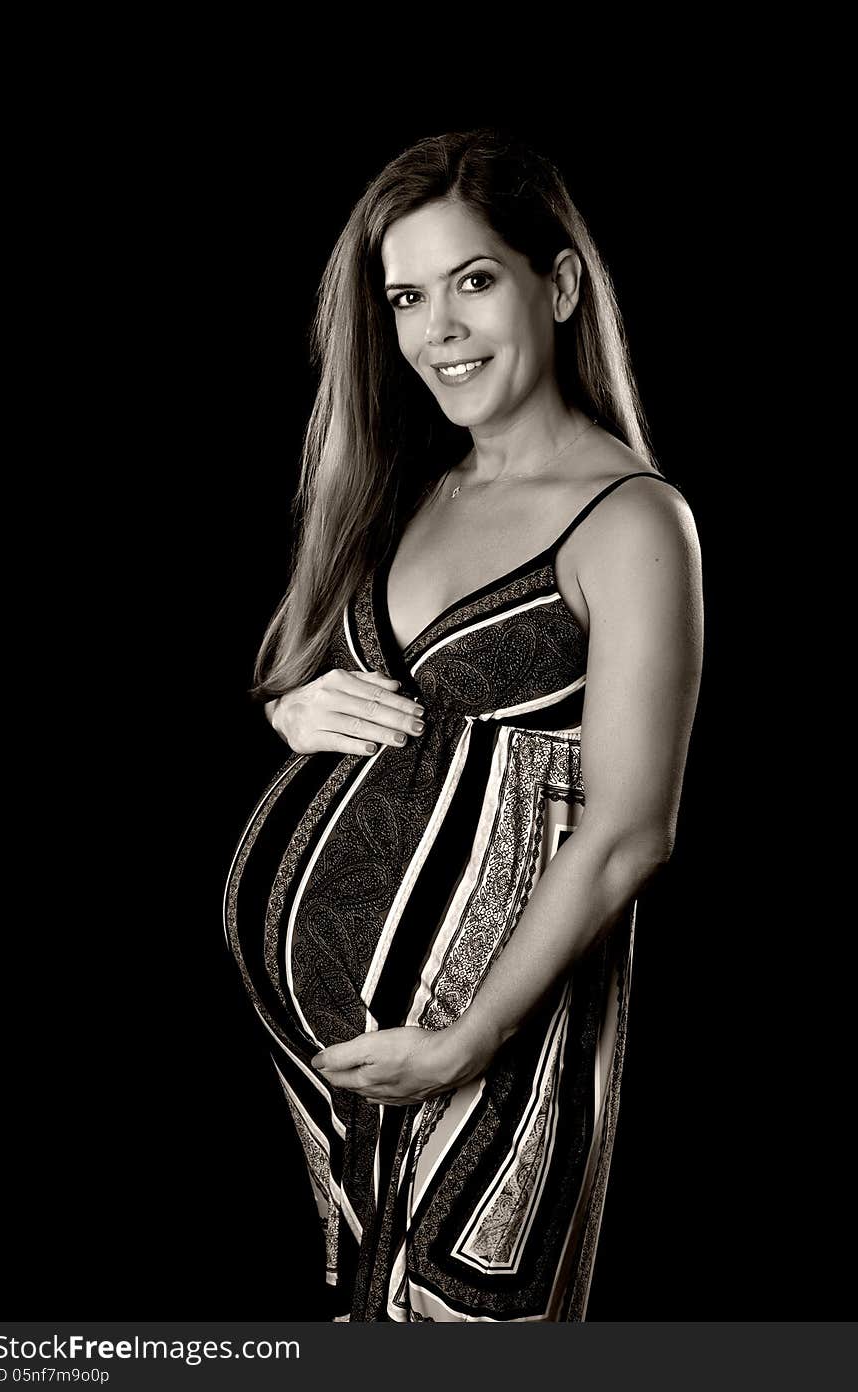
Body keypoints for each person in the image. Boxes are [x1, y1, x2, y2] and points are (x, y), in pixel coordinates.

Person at [222, 128, 703, 1323]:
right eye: (406, 298)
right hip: (337, 1097)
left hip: (494, 1058)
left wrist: (462, 1042)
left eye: (474, 282)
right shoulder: (409, 490)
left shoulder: (630, 521)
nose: (438, 331)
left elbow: (629, 834)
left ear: (560, 284)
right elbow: (358, 705)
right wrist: (294, 710)